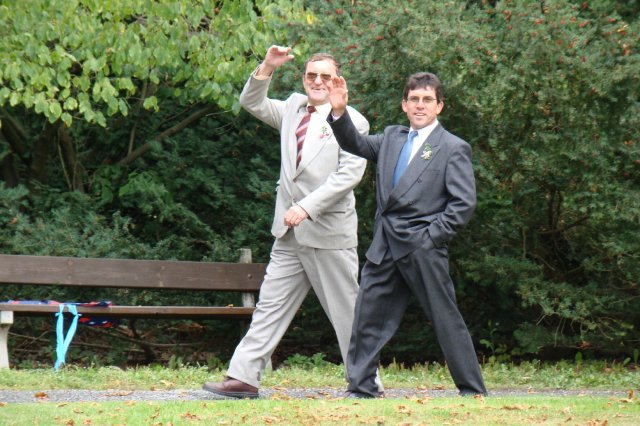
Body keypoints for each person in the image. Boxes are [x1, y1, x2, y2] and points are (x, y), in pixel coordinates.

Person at [203, 46, 371, 399]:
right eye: (311, 75)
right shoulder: (293, 107)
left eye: (325, 76)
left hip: (329, 233)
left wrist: (307, 207)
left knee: (347, 312)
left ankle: (366, 382)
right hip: (289, 233)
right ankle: (243, 377)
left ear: (338, 81)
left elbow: (348, 176)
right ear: (303, 79)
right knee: (270, 305)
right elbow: (251, 102)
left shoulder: (353, 121)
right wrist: (267, 66)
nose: (318, 81)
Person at [326, 72, 488, 398]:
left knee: (445, 318)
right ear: (404, 104)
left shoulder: (453, 147)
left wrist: (430, 238)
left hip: (422, 247)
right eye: (414, 99)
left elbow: (463, 204)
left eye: (427, 99)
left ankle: (472, 390)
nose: (420, 105)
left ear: (439, 106)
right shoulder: (391, 138)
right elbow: (355, 143)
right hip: (385, 245)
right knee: (367, 318)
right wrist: (340, 111)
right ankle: (361, 388)